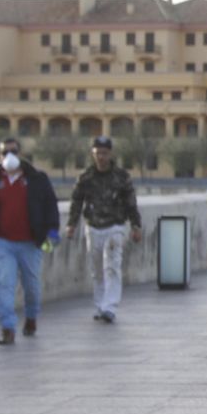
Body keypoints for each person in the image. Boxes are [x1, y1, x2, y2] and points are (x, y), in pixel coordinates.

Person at [0, 137, 61, 345]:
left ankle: (31, 317)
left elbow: (50, 206)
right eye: (5, 152)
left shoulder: (37, 179)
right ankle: (7, 328)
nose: (9, 156)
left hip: (30, 242)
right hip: (3, 243)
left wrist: (53, 231)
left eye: (13, 151)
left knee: (31, 286)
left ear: (20, 154)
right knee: (4, 284)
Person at [64, 135, 142, 324]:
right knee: (97, 268)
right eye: (98, 153)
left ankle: (110, 307)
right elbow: (76, 202)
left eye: (104, 153)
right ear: (93, 154)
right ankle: (100, 305)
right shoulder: (85, 177)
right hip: (93, 227)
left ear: (110, 154)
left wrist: (136, 225)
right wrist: (72, 224)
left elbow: (131, 203)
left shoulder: (121, 177)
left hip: (115, 225)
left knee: (113, 266)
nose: (101, 157)